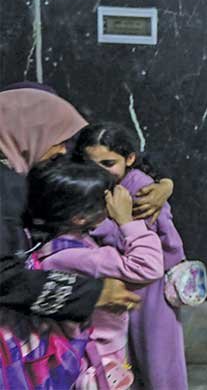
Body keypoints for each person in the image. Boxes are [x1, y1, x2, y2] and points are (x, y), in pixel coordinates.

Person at [1, 87, 140, 323]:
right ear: (32, 131)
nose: (63, 150)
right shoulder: (5, 186)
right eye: (58, 138)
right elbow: (5, 279)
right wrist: (91, 293)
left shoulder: (12, 178)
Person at [25, 157, 164, 389]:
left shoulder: (54, 244)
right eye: (104, 200)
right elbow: (149, 266)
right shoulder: (79, 257)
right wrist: (126, 220)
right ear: (79, 218)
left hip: (85, 354)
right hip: (98, 360)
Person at [73, 122, 188, 389]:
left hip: (148, 287)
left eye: (108, 163)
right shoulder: (88, 186)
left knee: (158, 361)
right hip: (113, 286)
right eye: (91, 164)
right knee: (120, 363)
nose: (99, 171)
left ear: (130, 159)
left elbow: (159, 243)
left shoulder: (142, 190)